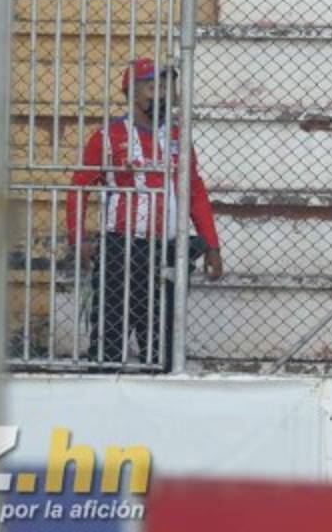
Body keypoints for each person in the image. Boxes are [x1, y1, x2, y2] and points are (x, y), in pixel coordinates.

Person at [66, 58, 223, 371]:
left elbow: (194, 191)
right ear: (132, 92)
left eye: (167, 87)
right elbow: (79, 187)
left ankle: (161, 387)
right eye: (154, 86)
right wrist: (79, 238)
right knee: (110, 332)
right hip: (120, 248)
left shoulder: (179, 137)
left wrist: (212, 245)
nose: (163, 94)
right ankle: (104, 384)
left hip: (168, 248)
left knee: (163, 338)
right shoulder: (108, 136)